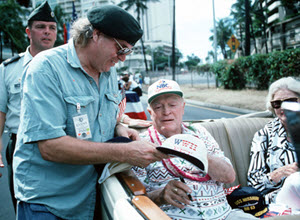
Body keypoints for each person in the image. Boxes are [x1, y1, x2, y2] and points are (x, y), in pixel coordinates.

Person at [13, 5, 167, 220]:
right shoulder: (46, 68)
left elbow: (106, 114)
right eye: (120, 48)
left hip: (90, 196)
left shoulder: (107, 71)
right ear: (95, 35)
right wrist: (126, 152)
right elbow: (50, 147)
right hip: (49, 203)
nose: (122, 58)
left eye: (128, 51)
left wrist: (119, 127)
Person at [132, 79, 257, 219]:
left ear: (183, 107)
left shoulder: (200, 133)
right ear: (150, 112)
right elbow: (135, 199)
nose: (166, 112)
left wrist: (196, 152)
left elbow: (229, 176)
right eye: (158, 107)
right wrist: (160, 196)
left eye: (172, 105)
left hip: (224, 215)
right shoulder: (141, 144)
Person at [0, 1, 57, 210]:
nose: (47, 32)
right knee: (22, 202)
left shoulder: (65, 67)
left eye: (52, 28)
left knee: (55, 204)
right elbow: (1, 112)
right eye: (41, 27)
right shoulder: (7, 69)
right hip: (20, 145)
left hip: (58, 145)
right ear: (28, 32)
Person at [247, 77, 300, 208]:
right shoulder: (264, 135)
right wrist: (281, 172)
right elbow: (254, 182)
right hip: (280, 197)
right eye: (277, 103)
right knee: (295, 179)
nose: (283, 107)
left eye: (290, 101)